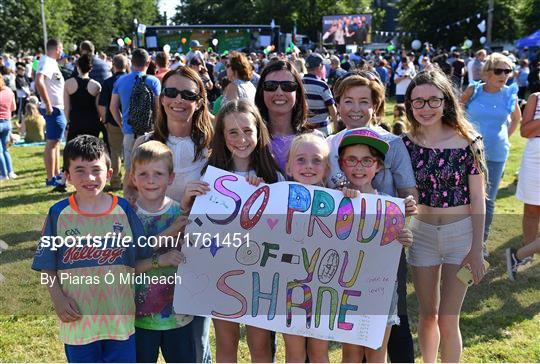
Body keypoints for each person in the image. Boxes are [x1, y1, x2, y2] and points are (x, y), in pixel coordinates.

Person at [30, 135, 154, 362]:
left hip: (119, 321)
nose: (89, 177)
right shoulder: (58, 214)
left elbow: (140, 258)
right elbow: (47, 265)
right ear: (66, 175)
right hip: (79, 323)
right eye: (79, 170)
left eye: (96, 170)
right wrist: (57, 297)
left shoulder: (124, 210)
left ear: (109, 173)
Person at [124, 66, 214, 363]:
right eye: (171, 92)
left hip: (198, 254)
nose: (179, 99)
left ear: (200, 100)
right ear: (161, 99)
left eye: (188, 94)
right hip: (153, 258)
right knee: (148, 339)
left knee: (194, 343)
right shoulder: (146, 142)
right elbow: (130, 195)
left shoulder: (213, 143)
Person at [327, 73, 417, 363]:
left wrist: (406, 220)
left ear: (376, 105)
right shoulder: (328, 145)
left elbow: (408, 194)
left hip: (385, 249)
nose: (355, 108)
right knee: (351, 335)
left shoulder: (392, 143)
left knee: (393, 322)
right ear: (337, 105)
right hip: (343, 249)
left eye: (364, 101)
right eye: (348, 101)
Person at [181, 100, 281, 362]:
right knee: (227, 342)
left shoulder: (274, 177)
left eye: (248, 130)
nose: (241, 139)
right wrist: (188, 202)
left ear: (259, 132)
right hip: (219, 271)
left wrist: (261, 194)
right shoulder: (209, 176)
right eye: (233, 133)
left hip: (261, 274)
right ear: (222, 137)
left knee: (260, 344)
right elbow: (195, 229)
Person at [403, 69, 488, 362]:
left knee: (448, 318)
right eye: (418, 102)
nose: (426, 108)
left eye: (433, 100)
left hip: (460, 235)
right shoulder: (404, 144)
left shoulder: (469, 141)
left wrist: (476, 249)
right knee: (428, 315)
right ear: (409, 105)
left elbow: (478, 198)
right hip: (422, 235)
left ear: (446, 101)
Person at [337, 127, 414, 362]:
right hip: (345, 288)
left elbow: (400, 240)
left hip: (380, 289)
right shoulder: (333, 200)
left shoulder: (390, 205)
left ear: (378, 166)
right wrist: (343, 199)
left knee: (376, 350)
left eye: (367, 160)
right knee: (351, 351)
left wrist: (405, 238)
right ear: (341, 164)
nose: (359, 167)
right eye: (352, 160)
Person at [130, 141, 196, 363]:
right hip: (139, 319)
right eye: (143, 174)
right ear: (133, 177)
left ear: (170, 177)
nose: (150, 180)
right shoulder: (127, 217)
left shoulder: (181, 214)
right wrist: (162, 259)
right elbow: (127, 266)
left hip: (180, 318)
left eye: (158, 173)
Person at [461, 52, 521, 256]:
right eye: (499, 70)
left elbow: (516, 119)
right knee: (465, 196)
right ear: (487, 72)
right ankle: (461, 240)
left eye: (508, 71)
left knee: (489, 199)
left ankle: (481, 243)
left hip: (496, 153)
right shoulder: (473, 90)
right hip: (468, 151)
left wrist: (503, 137)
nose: (504, 75)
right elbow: (458, 110)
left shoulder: (510, 93)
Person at [282, 133, 331, 362]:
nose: (309, 166)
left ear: (328, 168)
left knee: (319, 352)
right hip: (287, 291)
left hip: (323, 291)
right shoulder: (277, 200)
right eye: (301, 160)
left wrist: (351, 197)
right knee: (294, 352)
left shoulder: (340, 202)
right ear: (288, 167)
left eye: (317, 160)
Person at [254, 60, 311, 174]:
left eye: (287, 86)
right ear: (261, 91)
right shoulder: (249, 139)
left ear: (297, 93)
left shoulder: (314, 139)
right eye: (271, 86)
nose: (279, 92)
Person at [110, 48, 160, 175]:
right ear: (148, 63)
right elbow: (158, 108)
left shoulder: (120, 81)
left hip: (129, 130)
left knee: (130, 168)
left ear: (131, 62)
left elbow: (112, 107)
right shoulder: (154, 81)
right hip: (148, 131)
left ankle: (130, 192)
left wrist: (121, 123)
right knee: (149, 168)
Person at [35, 38, 67, 189]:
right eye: (60, 48)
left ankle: (55, 174)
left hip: (57, 107)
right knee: (52, 142)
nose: (61, 51)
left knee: (56, 142)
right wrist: (48, 104)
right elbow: (38, 81)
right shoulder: (47, 61)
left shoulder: (51, 62)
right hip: (53, 107)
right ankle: (50, 177)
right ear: (56, 48)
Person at [515, 93, 540, 264]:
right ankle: (526, 255)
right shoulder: (535, 98)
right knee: (531, 210)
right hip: (535, 158)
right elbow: (525, 131)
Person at [98, 54, 128, 191]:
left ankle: (116, 181)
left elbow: (103, 104)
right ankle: (131, 180)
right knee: (131, 151)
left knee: (115, 152)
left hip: (113, 121)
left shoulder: (108, 82)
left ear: (113, 66)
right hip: (131, 122)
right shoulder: (132, 80)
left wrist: (104, 120)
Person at [63, 54, 102, 141]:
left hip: (75, 121)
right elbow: (99, 108)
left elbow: (66, 107)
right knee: (91, 151)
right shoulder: (96, 86)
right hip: (92, 121)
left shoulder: (68, 84)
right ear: (90, 68)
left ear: (77, 66)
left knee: (73, 151)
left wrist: (68, 122)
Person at [302, 53, 338, 135]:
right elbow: (332, 108)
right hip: (322, 131)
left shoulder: (299, 83)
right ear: (320, 66)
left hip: (303, 130)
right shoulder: (322, 85)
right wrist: (336, 128)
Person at [0, 75, 16, 180]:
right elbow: (13, 107)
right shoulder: (9, 91)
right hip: (7, 122)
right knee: (5, 149)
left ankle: (3, 174)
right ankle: (10, 172)